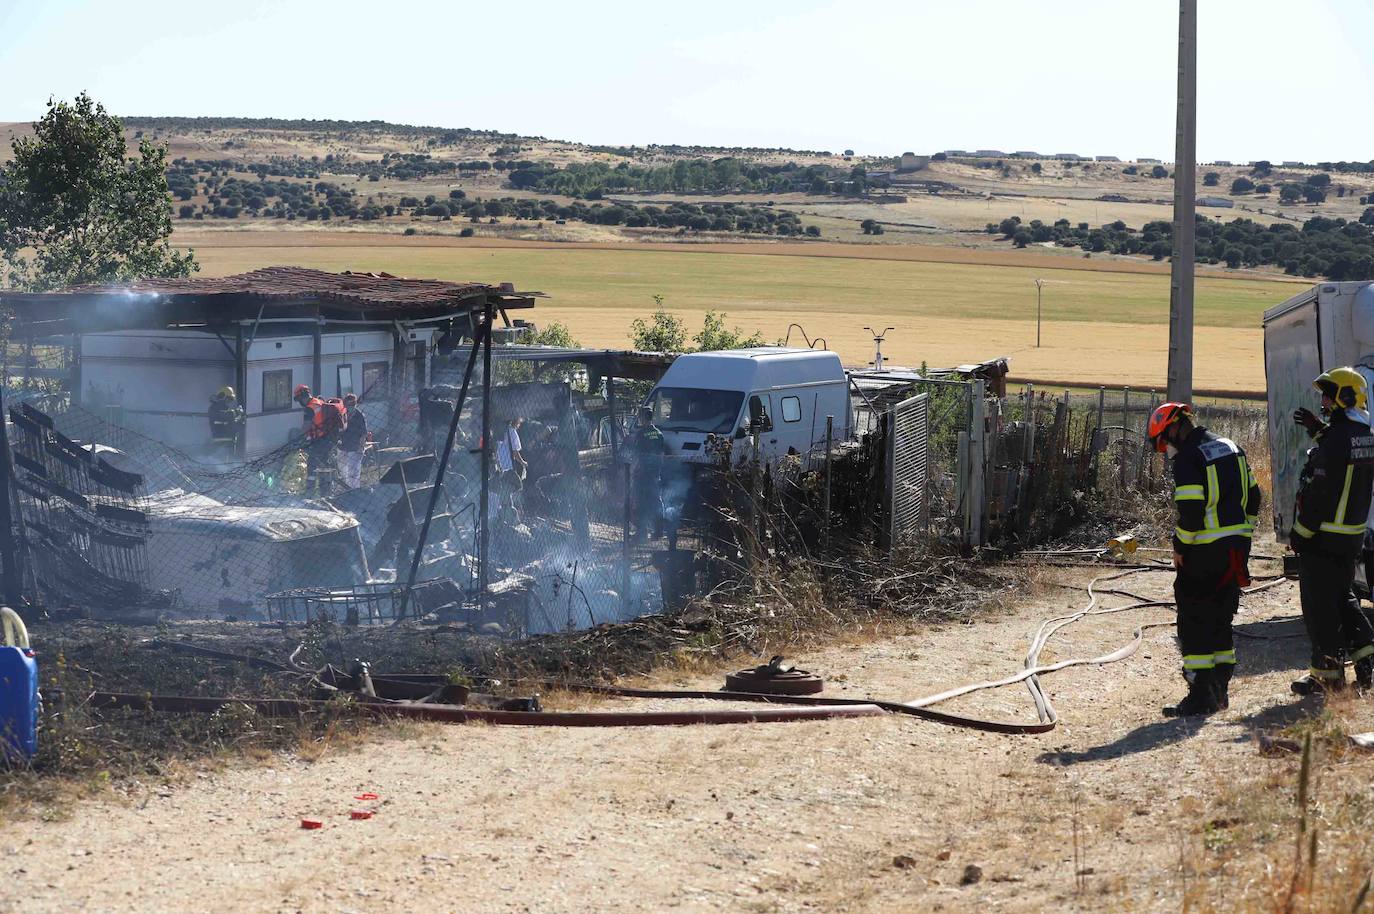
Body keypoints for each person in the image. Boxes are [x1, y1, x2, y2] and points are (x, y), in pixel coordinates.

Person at [1148, 401, 1262, 717]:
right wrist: (1244, 532)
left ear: (1173, 427)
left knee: (1194, 618)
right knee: (1221, 617)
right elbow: (1254, 496)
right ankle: (1220, 689)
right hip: (1235, 551)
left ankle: (1200, 695)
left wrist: (1180, 549)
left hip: (1203, 551)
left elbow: (1192, 515)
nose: (1167, 448)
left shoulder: (1188, 459)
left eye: (1164, 440)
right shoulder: (1231, 447)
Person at [1289, 367, 1374, 695]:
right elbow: (1343, 451)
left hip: (1324, 537)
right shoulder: (1363, 434)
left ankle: (1327, 678)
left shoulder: (1337, 439)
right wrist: (1317, 429)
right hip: (1351, 537)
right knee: (1343, 598)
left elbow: (1321, 493)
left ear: (1345, 397)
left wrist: (1301, 532)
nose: (1323, 400)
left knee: (1319, 608)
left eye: (1328, 393)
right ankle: (1366, 661)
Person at [631, 405, 669, 542]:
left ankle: (641, 533)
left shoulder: (641, 434)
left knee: (640, 503)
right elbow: (662, 453)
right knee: (656, 502)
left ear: (642, 417)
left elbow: (637, 455)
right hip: (655, 473)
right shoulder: (659, 433)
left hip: (642, 474)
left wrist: (632, 470)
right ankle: (659, 531)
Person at [494, 417, 527, 519]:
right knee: (512, 490)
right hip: (509, 466)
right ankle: (512, 516)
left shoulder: (498, 431)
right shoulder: (511, 431)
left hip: (500, 466)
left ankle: (504, 513)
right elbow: (515, 452)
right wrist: (523, 462)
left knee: (503, 491)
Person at [336, 393, 368, 489]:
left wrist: (361, 447)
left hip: (355, 447)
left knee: (353, 471)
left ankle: (353, 490)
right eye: (348, 405)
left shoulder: (359, 416)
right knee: (342, 470)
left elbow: (363, 433)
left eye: (353, 404)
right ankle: (343, 489)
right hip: (342, 446)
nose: (351, 407)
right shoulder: (341, 414)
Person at [207, 386, 244, 451]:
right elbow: (224, 416)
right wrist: (237, 412)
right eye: (229, 399)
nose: (229, 401)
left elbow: (231, 420)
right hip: (221, 440)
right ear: (223, 397)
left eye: (231, 399)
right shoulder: (214, 408)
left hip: (229, 440)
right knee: (222, 458)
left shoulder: (224, 408)